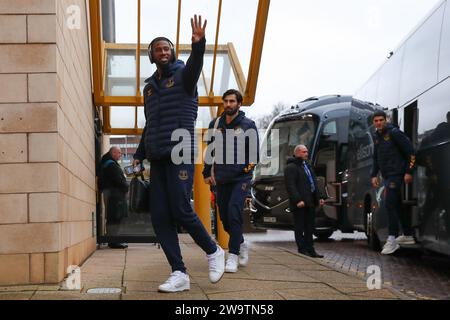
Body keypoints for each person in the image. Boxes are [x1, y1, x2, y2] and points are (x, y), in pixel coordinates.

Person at [133, 15, 225, 293]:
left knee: (182, 209)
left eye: (167, 48)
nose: (163, 52)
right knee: (160, 216)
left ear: (172, 52)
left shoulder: (184, 76)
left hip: (180, 151)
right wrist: (139, 154)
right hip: (157, 155)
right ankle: (179, 273)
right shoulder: (149, 87)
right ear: (151, 55)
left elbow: (196, 65)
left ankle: (213, 250)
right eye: (158, 49)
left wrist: (198, 45)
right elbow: (151, 123)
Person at [203, 89, 259, 273]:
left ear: (239, 104)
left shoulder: (248, 125)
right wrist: (206, 173)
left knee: (234, 214)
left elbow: (254, 155)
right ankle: (241, 243)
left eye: (232, 101)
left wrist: (243, 172)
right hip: (221, 179)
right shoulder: (215, 124)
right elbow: (209, 151)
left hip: (240, 179)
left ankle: (232, 256)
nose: (228, 104)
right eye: (226, 101)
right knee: (225, 220)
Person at [370, 110, 416, 255]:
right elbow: (376, 157)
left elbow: (412, 153)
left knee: (389, 203)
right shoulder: (377, 136)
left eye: (381, 120)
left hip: (396, 174)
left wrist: (409, 171)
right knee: (396, 204)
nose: (378, 123)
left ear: (386, 120)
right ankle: (407, 234)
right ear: (373, 123)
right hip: (387, 175)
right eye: (376, 121)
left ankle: (392, 239)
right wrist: (373, 175)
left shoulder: (394, 133)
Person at [284, 145, 325, 258]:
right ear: (297, 153)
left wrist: (320, 197)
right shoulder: (291, 167)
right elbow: (291, 186)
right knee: (299, 227)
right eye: (304, 152)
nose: (306, 153)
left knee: (309, 227)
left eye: (307, 151)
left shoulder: (307, 165)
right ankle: (302, 249)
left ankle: (310, 249)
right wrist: (298, 200)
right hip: (300, 203)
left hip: (310, 201)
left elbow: (314, 183)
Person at [99, 147, 129, 249]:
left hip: (111, 193)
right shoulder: (111, 165)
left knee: (113, 216)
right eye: (119, 153)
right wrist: (126, 186)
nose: (121, 155)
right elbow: (119, 180)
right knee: (115, 216)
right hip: (114, 194)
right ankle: (114, 241)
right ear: (113, 153)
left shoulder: (108, 162)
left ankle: (113, 240)